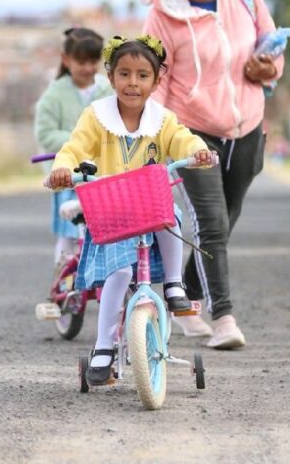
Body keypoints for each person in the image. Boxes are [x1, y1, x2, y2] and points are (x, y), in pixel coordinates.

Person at [142, 0, 285, 348]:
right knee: (211, 220)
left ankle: (181, 298)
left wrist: (268, 68)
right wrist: (156, 137)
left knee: (227, 217)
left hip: (247, 125)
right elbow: (156, 78)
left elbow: (272, 48)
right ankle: (223, 318)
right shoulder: (163, 16)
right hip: (192, 129)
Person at [48, 35, 213, 385]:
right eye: (124, 74)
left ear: (156, 81)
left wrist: (197, 150)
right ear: (111, 78)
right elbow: (74, 148)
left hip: (150, 203)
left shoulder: (163, 120)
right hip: (111, 210)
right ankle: (104, 345)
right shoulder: (96, 117)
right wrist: (62, 168)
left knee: (170, 218)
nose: (132, 83)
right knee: (119, 273)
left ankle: (173, 284)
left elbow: (182, 139)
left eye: (142, 75)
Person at [34, 27, 113, 267]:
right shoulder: (54, 94)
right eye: (81, 62)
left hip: (101, 173)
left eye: (93, 61)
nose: (88, 68)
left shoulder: (107, 90)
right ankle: (62, 278)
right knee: (69, 235)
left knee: (107, 231)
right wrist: (81, 141)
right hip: (67, 175)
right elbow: (45, 134)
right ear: (66, 60)